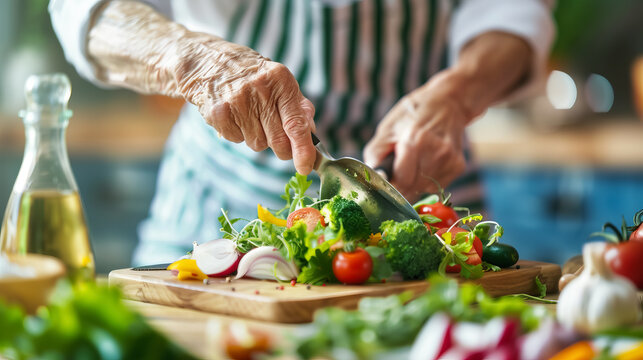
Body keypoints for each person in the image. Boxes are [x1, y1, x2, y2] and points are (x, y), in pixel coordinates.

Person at [49, 0, 554, 265]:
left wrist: (458, 93)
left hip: (428, 200)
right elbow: (85, 9)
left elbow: (515, 9)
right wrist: (193, 61)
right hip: (213, 213)